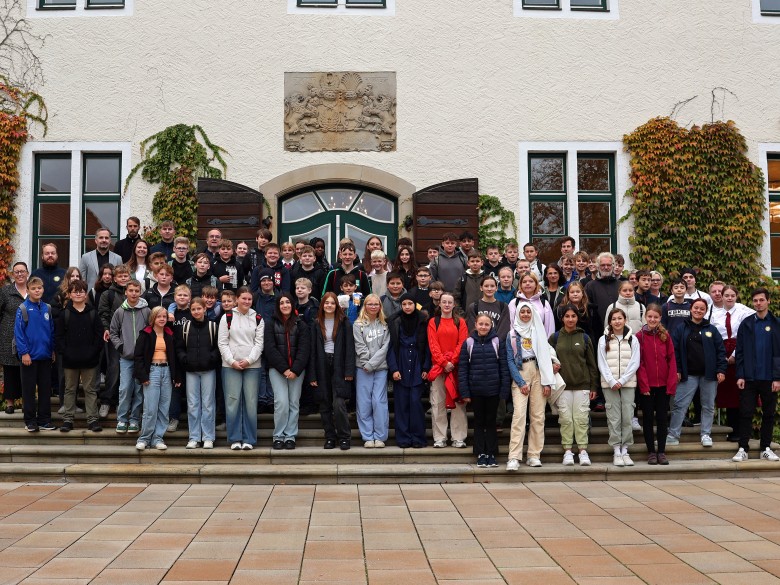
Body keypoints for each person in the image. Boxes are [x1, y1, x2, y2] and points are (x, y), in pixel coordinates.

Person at [666, 298, 726, 448]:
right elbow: (675, 351)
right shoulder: (681, 328)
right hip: (688, 375)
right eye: (696, 308)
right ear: (691, 309)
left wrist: (721, 370)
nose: (698, 311)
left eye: (702, 309)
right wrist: (678, 370)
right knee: (680, 405)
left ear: (705, 311)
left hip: (709, 375)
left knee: (708, 406)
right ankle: (673, 435)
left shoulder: (711, 329)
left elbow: (720, 351)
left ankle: (706, 434)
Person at [732, 288, 780, 463]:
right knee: (745, 413)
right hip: (749, 377)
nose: (758, 303)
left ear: (768, 301)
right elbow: (741, 351)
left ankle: (765, 448)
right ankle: (743, 448)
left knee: (769, 414)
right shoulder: (746, 324)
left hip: (770, 379)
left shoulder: (776, 323)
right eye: (755, 300)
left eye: (761, 300)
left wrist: (777, 378)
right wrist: (740, 375)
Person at [506, 301, 555, 470]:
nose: (526, 314)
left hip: (538, 372)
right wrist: (520, 382)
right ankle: (514, 456)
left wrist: (547, 381)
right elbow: (510, 360)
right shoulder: (512, 334)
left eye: (528, 312)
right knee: (519, 416)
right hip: (521, 372)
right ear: (517, 313)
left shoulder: (539, 332)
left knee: (538, 416)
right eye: (523, 311)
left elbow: (545, 357)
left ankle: (534, 454)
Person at [550, 304, 599, 466]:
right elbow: (547, 360)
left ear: (577, 318)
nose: (570, 319)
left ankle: (583, 451)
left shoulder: (584, 338)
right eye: (567, 316)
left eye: (573, 316)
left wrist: (593, 386)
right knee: (565, 419)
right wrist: (552, 366)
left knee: (581, 419)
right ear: (562, 318)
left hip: (582, 386)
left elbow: (592, 364)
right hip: (563, 387)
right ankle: (568, 451)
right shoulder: (555, 338)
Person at [459, 313, 509, 468]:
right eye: (481, 324)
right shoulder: (468, 343)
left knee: (491, 422)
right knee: (479, 422)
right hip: (476, 390)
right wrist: (465, 392)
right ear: (475, 324)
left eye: (487, 324)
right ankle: (480, 453)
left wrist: (504, 390)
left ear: (491, 326)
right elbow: (463, 369)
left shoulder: (497, 342)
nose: (483, 327)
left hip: (493, 391)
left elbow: (504, 368)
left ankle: (492, 453)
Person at [218, 286, 264, 450]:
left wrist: (249, 360)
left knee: (251, 402)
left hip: (252, 366)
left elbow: (259, 344)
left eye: (249, 299)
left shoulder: (258, 318)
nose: (246, 301)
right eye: (243, 298)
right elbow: (222, 343)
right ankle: (235, 438)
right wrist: (232, 361)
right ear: (237, 299)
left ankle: (249, 439)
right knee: (233, 402)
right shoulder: (227, 317)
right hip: (230, 366)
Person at [55, 280, 104, 433]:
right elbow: (59, 337)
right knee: (70, 389)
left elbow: (99, 336)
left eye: (81, 291)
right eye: (75, 291)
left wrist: (93, 352)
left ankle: (93, 419)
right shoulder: (65, 314)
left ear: (85, 294)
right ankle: (68, 420)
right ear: (69, 294)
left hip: (89, 360)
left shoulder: (92, 313)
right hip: (70, 360)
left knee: (90, 390)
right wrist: (65, 352)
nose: (78, 294)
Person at [309, 292, 355, 450]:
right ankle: (329, 436)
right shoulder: (316, 323)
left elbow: (350, 348)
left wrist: (349, 372)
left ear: (337, 305)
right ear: (322, 305)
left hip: (339, 365)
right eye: (326, 303)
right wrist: (312, 374)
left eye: (332, 303)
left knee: (339, 403)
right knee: (324, 404)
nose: (329, 305)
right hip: (322, 365)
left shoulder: (344, 322)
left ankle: (344, 436)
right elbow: (313, 350)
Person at [265, 293, 310, 450]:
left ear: (292, 304)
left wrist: (295, 369)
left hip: (297, 372)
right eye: (282, 303)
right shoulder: (270, 323)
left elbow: (304, 349)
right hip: (277, 370)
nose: (285, 305)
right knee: (281, 403)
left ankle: (290, 435)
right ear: (278, 306)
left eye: (287, 302)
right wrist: (284, 369)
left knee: (293, 403)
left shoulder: (301, 324)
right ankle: (278, 435)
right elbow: (270, 349)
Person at [597, 307, 640, 467]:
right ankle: (616, 450)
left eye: (620, 318)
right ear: (610, 322)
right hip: (609, 384)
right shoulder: (603, 340)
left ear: (625, 320)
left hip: (627, 383)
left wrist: (622, 380)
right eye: (614, 319)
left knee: (627, 416)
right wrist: (611, 380)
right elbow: (602, 362)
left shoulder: (633, 339)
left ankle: (625, 450)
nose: (617, 321)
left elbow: (635, 361)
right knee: (614, 417)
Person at [710, 285, 754, 441]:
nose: (729, 298)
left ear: (736, 296)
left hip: (739, 352)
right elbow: (713, 336)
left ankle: (743, 432)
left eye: (732, 295)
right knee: (728, 394)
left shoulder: (743, 312)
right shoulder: (715, 314)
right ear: (721, 297)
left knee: (741, 393)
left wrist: (735, 355)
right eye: (726, 295)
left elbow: (745, 335)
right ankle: (732, 430)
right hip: (722, 353)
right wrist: (720, 356)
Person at [387, 293, 430, 449]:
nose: (407, 307)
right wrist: (394, 369)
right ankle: (403, 438)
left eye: (410, 303)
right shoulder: (394, 321)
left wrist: (426, 367)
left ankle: (418, 438)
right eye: (404, 304)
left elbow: (427, 347)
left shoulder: (423, 321)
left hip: (417, 365)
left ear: (415, 304)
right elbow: (390, 348)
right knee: (401, 404)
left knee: (415, 403)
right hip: (401, 364)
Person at [176, 297, 220, 449]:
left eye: (199, 309)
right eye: (193, 309)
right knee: (193, 404)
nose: (196, 312)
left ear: (204, 309)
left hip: (208, 370)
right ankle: (194, 437)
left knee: (208, 404)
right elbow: (179, 348)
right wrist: (185, 359)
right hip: (191, 371)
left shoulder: (213, 326)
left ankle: (208, 437)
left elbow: (218, 347)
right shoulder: (186, 327)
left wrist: (211, 358)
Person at [635, 304, 677, 465]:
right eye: (650, 316)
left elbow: (671, 359)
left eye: (656, 317)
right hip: (647, 386)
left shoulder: (665, 335)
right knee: (647, 419)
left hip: (663, 385)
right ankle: (651, 451)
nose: (652, 320)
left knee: (661, 419)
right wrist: (644, 385)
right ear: (646, 317)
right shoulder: (640, 336)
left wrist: (671, 383)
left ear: (660, 318)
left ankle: (661, 451)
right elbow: (640, 363)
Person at [427, 292, 469, 448]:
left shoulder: (461, 322)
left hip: (456, 367)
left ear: (453, 305)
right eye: (443, 302)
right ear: (439, 304)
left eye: (449, 302)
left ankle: (458, 437)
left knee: (458, 403)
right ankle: (440, 437)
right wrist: (444, 363)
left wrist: (452, 361)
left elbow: (462, 343)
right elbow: (433, 344)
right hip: (439, 367)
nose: (446, 304)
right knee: (438, 403)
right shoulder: (433, 322)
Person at [14, 277, 56, 432]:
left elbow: (51, 331)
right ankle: (30, 421)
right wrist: (24, 353)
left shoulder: (47, 308)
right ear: (28, 290)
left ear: (43, 289)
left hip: (45, 356)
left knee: (45, 390)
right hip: (29, 358)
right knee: (29, 390)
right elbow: (19, 333)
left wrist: (52, 350)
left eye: (39, 288)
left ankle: (44, 420)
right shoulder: (23, 309)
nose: (37, 291)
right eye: (33, 288)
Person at [133, 307, 178, 450]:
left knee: (164, 408)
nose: (162, 319)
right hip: (152, 371)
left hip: (167, 372)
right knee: (150, 408)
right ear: (153, 318)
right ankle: (144, 438)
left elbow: (174, 357)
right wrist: (143, 376)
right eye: (159, 316)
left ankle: (158, 438)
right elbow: (138, 357)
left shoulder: (170, 334)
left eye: (164, 316)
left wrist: (176, 376)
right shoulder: (145, 333)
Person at [109, 279, 150, 435]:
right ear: (126, 292)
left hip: (141, 359)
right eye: (131, 290)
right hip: (126, 358)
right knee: (125, 388)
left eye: (136, 291)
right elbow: (113, 332)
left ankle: (134, 419)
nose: (133, 293)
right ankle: (122, 419)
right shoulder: (120, 311)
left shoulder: (146, 311)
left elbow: (150, 331)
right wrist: (121, 346)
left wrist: (145, 349)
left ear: (140, 292)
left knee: (139, 389)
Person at [353, 293, 390, 448]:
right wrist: (366, 363)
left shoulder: (384, 325)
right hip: (363, 368)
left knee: (379, 401)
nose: (373, 307)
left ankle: (380, 436)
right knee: (364, 402)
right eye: (370, 304)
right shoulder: (358, 324)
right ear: (365, 306)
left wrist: (372, 364)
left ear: (379, 307)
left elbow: (385, 347)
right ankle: (368, 436)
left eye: (376, 304)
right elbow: (359, 346)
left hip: (380, 368)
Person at [97, 264, 131, 417]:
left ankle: (120, 402)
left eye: (126, 276)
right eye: (120, 276)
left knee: (127, 371)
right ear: (115, 278)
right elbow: (103, 314)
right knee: (113, 369)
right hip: (114, 337)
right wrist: (106, 328)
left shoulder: (134, 293)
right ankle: (106, 401)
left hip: (131, 338)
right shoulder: (108, 294)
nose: (123, 278)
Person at [0, 262, 28, 415]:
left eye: (22, 271)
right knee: (10, 371)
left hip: (28, 337)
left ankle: (26, 402)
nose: (19, 274)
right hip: (8, 337)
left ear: (27, 273)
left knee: (27, 370)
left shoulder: (32, 290)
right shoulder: (5, 292)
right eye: (16, 272)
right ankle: (10, 403)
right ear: (13, 274)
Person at [509, 271, 555, 336]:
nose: (527, 283)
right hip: (519, 342)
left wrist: (546, 344)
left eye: (531, 281)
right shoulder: (514, 303)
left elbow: (549, 328)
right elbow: (511, 325)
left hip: (540, 342)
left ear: (536, 284)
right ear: (520, 285)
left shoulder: (544, 303)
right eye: (524, 282)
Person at [584, 252, 621, 329]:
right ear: (598, 266)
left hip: (619, 328)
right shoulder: (590, 286)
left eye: (608, 265)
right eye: (603, 265)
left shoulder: (620, 285)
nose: (606, 267)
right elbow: (586, 310)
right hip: (597, 330)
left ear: (613, 266)